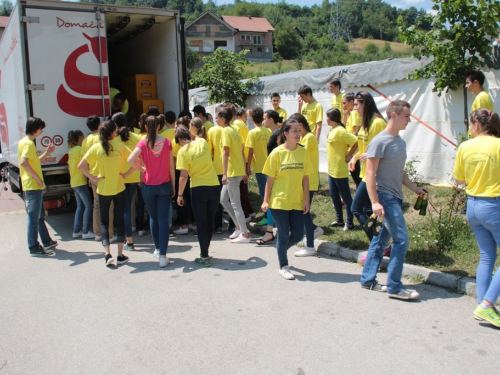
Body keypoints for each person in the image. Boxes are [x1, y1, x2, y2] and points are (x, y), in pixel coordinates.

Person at [360, 100, 427, 300]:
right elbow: (370, 174)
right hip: (385, 197)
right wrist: (375, 202)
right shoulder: (379, 141)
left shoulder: (400, 142)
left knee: (380, 241)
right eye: (407, 116)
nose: (410, 120)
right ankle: (395, 286)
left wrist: (415, 188)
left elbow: (400, 172)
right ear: (394, 115)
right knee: (401, 240)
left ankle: (368, 279)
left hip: (395, 197)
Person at [453, 109, 500, 327]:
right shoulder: (498, 145)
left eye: (470, 124)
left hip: (472, 205)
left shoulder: (465, 146)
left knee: (487, 256)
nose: (469, 128)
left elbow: (459, 179)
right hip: (493, 205)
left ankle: (483, 304)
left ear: (477, 125)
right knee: (488, 256)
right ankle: (487, 304)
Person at [262, 119, 312, 280]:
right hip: (279, 201)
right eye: (294, 131)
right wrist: (265, 200)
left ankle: (280, 250)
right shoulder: (276, 153)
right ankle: (283, 265)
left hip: (296, 200)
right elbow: (269, 180)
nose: (298, 134)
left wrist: (306, 199)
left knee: (298, 235)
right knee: (283, 235)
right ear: (285, 133)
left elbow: (305, 178)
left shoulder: (303, 152)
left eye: (299, 130)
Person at [79, 120, 131, 267]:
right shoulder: (120, 146)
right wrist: (126, 174)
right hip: (119, 187)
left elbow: (81, 166)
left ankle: (107, 253)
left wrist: (93, 177)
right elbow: (136, 160)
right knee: (119, 220)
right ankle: (120, 254)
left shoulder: (96, 147)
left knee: (104, 221)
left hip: (103, 189)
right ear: (113, 133)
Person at [127, 116, 175, 268]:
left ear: (146, 127)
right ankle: (163, 256)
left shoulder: (143, 142)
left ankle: (157, 249)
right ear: (159, 127)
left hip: (148, 186)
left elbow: (130, 160)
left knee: (154, 218)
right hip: (165, 185)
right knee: (163, 220)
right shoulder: (167, 142)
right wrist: (173, 185)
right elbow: (171, 168)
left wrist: (141, 169)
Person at [175, 126, 221, 267]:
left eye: (178, 143)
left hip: (198, 188)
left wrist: (179, 194)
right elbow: (197, 135)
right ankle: (205, 251)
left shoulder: (183, 152)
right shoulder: (202, 142)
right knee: (209, 221)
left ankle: (204, 255)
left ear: (181, 140)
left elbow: (183, 176)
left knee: (201, 224)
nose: (179, 146)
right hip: (214, 186)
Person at [348, 91, 387, 242]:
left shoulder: (377, 123)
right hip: (366, 173)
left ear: (366, 104)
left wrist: (367, 155)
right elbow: (364, 148)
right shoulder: (365, 123)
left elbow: (381, 150)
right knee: (367, 210)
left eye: (357, 105)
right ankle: (379, 242)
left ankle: (378, 242)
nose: (354, 108)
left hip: (374, 174)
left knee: (356, 208)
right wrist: (355, 157)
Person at [19, 117, 58, 256]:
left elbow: (32, 161)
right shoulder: (29, 144)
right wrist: (37, 179)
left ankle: (46, 241)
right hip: (33, 185)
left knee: (39, 216)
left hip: (33, 185)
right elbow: (24, 163)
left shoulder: (24, 142)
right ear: (35, 129)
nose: (42, 131)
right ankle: (34, 247)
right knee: (34, 218)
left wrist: (47, 153)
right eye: (41, 129)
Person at [289, 113, 323, 257]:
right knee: (304, 212)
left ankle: (310, 245)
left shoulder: (308, 138)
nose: (295, 132)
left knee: (304, 212)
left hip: (309, 179)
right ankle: (313, 231)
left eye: (296, 129)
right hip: (305, 179)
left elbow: (299, 154)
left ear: (300, 125)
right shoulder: (306, 137)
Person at [218, 105, 251, 243]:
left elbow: (226, 152)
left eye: (217, 117)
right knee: (223, 199)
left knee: (235, 203)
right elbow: (242, 152)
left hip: (232, 172)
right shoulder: (235, 130)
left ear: (223, 118)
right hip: (237, 170)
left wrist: (224, 173)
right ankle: (238, 226)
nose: (216, 120)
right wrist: (244, 171)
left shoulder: (226, 131)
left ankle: (244, 234)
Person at [82, 115, 115, 242]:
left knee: (96, 204)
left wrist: (89, 177)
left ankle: (97, 233)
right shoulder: (102, 138)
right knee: (109, 205)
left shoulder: (86, 141)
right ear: (99, 125)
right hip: (104, 174)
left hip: (93, 175)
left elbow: (84, 160)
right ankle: (110, 233)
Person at [325, 108, 357, 232]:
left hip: (340, 169)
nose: (326, 119)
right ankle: (339, 220)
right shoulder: (333, 130)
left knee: (346, 197)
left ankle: (350, 223)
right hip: (331, 169)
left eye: (327, 117)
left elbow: (355, 141)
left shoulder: (340, 131)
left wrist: (350, 155)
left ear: (331, 118)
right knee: (333, 195)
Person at [245, 107, 273, 245]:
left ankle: (269, 218)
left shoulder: (252, 133)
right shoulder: (268, 130)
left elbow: (250, 152)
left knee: (264, 194)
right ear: (263, 118)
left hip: (260, 167)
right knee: (270, 192)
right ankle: (270, 216)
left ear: (251, 120)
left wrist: (248, 167)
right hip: (270, 166)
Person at [114, 112, 141, 250]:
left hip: (120, 178)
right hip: (133, 177)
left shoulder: (114, 139)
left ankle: (129, 240)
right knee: (128, 207)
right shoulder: (135, 137)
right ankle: (127, 238)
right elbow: (140, 159)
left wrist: (123, 174)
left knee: (124, 209)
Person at [67, 130, 94, 240]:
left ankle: (76, 230)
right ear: (79, 138)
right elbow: (85, 163)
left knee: (80, 206)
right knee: (89, 205)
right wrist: (90, 176)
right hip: (81, 181)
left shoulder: (71, 151)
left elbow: (69, 167)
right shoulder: (80, 150)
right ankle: (86, 231)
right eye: (83, 137)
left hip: (74, 181)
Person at [343, 92, 362, 187]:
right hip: (353, 149)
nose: (343, 105)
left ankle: (364, 198)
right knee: (356, 175)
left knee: (356, 176)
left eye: (344, 103)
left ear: (351, 102)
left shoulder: (354, 113)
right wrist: (345, 115)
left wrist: (349, 146)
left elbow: (355, 131)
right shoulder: (351, 113)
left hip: (354, 149)